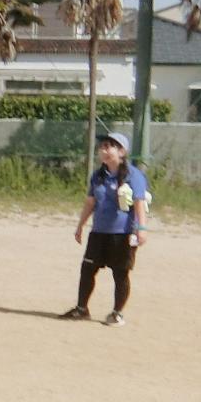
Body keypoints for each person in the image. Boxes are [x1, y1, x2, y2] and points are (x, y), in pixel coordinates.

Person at [62, 131, 150, 327]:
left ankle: (117, 313)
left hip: (123, 233)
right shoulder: (98, 175)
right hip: (99, 232)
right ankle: (81, 309)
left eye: (108, 146)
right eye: (102, 146)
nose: (103, 150)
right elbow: (90, 202)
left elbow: (139, 202)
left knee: (120, 273)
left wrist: (141, 228)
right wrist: (80, 225)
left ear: (122, 151)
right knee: (87, 269)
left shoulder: (133, 175)